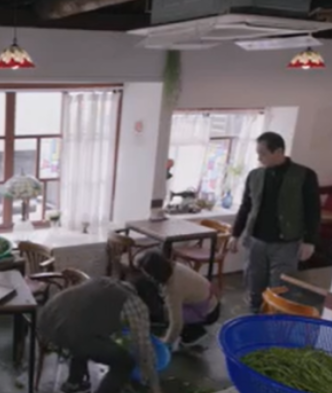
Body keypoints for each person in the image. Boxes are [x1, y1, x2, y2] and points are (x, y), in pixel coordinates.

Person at [40, 277, 166, 393]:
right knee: (125, 362)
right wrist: (156, 389)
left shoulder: (104, 282)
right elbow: (144, 350)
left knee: (84, 331)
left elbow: (85, 317)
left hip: (47, 319)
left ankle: (73, 384)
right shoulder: (136, 304)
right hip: (70, 333)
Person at [229, 132, 321, 313]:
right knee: (254, 284)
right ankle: (255, 317)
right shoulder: (255, 175)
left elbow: (313, 210)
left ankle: (275, 323)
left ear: (278, 151)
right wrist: (235, 234)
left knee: (281, 289)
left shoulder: (304, 175)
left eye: (263, 154)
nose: (259, 158)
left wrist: (310, 241)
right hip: (256, 241)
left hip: (286, 244)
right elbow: (246, 206)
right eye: (258, 153)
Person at [133, 252, 221, 351]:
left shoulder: (173, 289)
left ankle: (194, 332)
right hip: (206, 300)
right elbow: (138, 260)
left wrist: (165, 342)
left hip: (208, 313)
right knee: (147, 287)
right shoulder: (172, 266)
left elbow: (176, 323)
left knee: (165, 313)